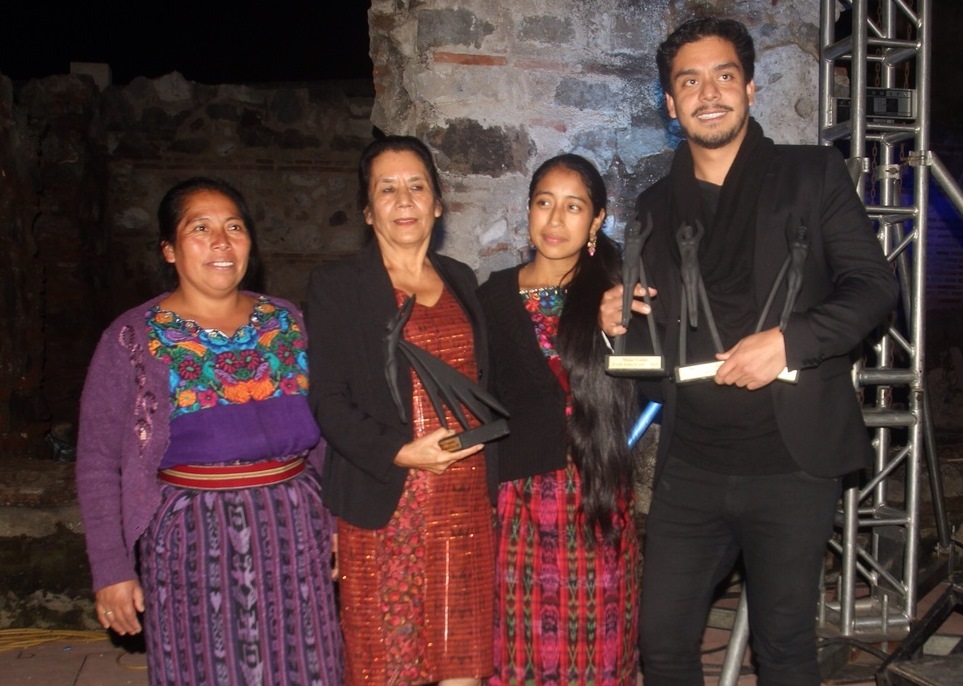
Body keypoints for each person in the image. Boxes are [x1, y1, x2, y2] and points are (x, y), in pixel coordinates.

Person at [597, 17, 898, 686]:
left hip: (791, 463)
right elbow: (653, 357)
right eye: (689, 81)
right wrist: (618, 320)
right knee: (663, 643)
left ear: (751, 88)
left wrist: (790, 341)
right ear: (668, 103)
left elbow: (874, 287)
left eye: (724, 76)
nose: (709, 93)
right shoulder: (649, 206)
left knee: (784, 644)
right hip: (692, 463)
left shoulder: (810, 174)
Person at [75, 177, 344, 685]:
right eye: (200, 228)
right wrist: (111, 568)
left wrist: (337, 526)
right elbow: (96, 462)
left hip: (296, 527)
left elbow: (330, 435)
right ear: (170, 250)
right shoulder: (134, 338)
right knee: (203, 669)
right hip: (189, 539)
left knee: (306, 666)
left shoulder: (287, 321)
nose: (222, 241)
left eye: (234, 227)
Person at [306, 135, 496, 685]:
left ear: (438, 203)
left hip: (464, 504)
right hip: (388, 501)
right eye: (387, 189)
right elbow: (327, 400)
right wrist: (400, 452)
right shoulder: (338, 287)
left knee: (463, 663)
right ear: (368, 211)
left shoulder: (462, 279)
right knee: (389, 665)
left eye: (417, 186)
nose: (404, 199)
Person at [478, 153, 644, 685]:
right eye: (544, 203)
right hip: (518, 504)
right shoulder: (491, 297)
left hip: (596, 493)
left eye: (573, 207)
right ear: (527, 210)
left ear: (596, 221)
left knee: (599, 644)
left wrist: (618, 332)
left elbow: (655, 383)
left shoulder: (618, 292)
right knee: (520, 647)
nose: (555, 220)